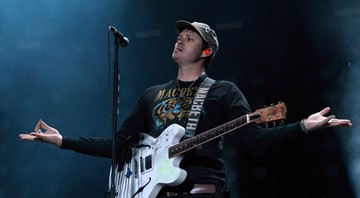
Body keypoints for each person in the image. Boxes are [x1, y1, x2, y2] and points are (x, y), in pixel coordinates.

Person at [19, 20, 352, 198]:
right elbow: (119, 147)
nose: (180, 39)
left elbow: (255, 140)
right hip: (150, 192)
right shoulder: (152, 94)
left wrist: (304, 127)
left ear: (206, 52)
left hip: (200, 189)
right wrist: (63, 141)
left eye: (190, 37)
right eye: (180, 35)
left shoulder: (223, 91)